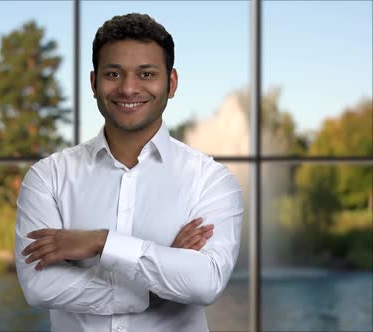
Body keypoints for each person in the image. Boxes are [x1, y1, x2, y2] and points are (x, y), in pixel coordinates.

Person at [15, 13, 243, 332]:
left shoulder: (211, 180)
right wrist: (163, 272)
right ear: (94, 83)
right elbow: (39, 286)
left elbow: (205, 283)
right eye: (113, 73)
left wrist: (101, 242)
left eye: (146, 73)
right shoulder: (47, 177)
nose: (128, 88)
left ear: (171, 83)